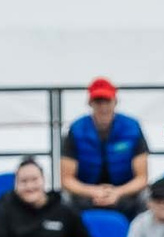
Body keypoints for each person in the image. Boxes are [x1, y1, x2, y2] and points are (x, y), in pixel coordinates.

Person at [61, 78, 150, 217]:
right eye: (98, 102)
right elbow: (67, 179)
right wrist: (93, 191)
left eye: (107, 101)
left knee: (148, 198)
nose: (103, 107)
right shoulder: (76, 129)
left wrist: (117, 192)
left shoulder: (132, 128)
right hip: (86, 194)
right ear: (90, 103)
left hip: (124, 194)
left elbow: (142, 178)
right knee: (63, 200)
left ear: (115, 102)